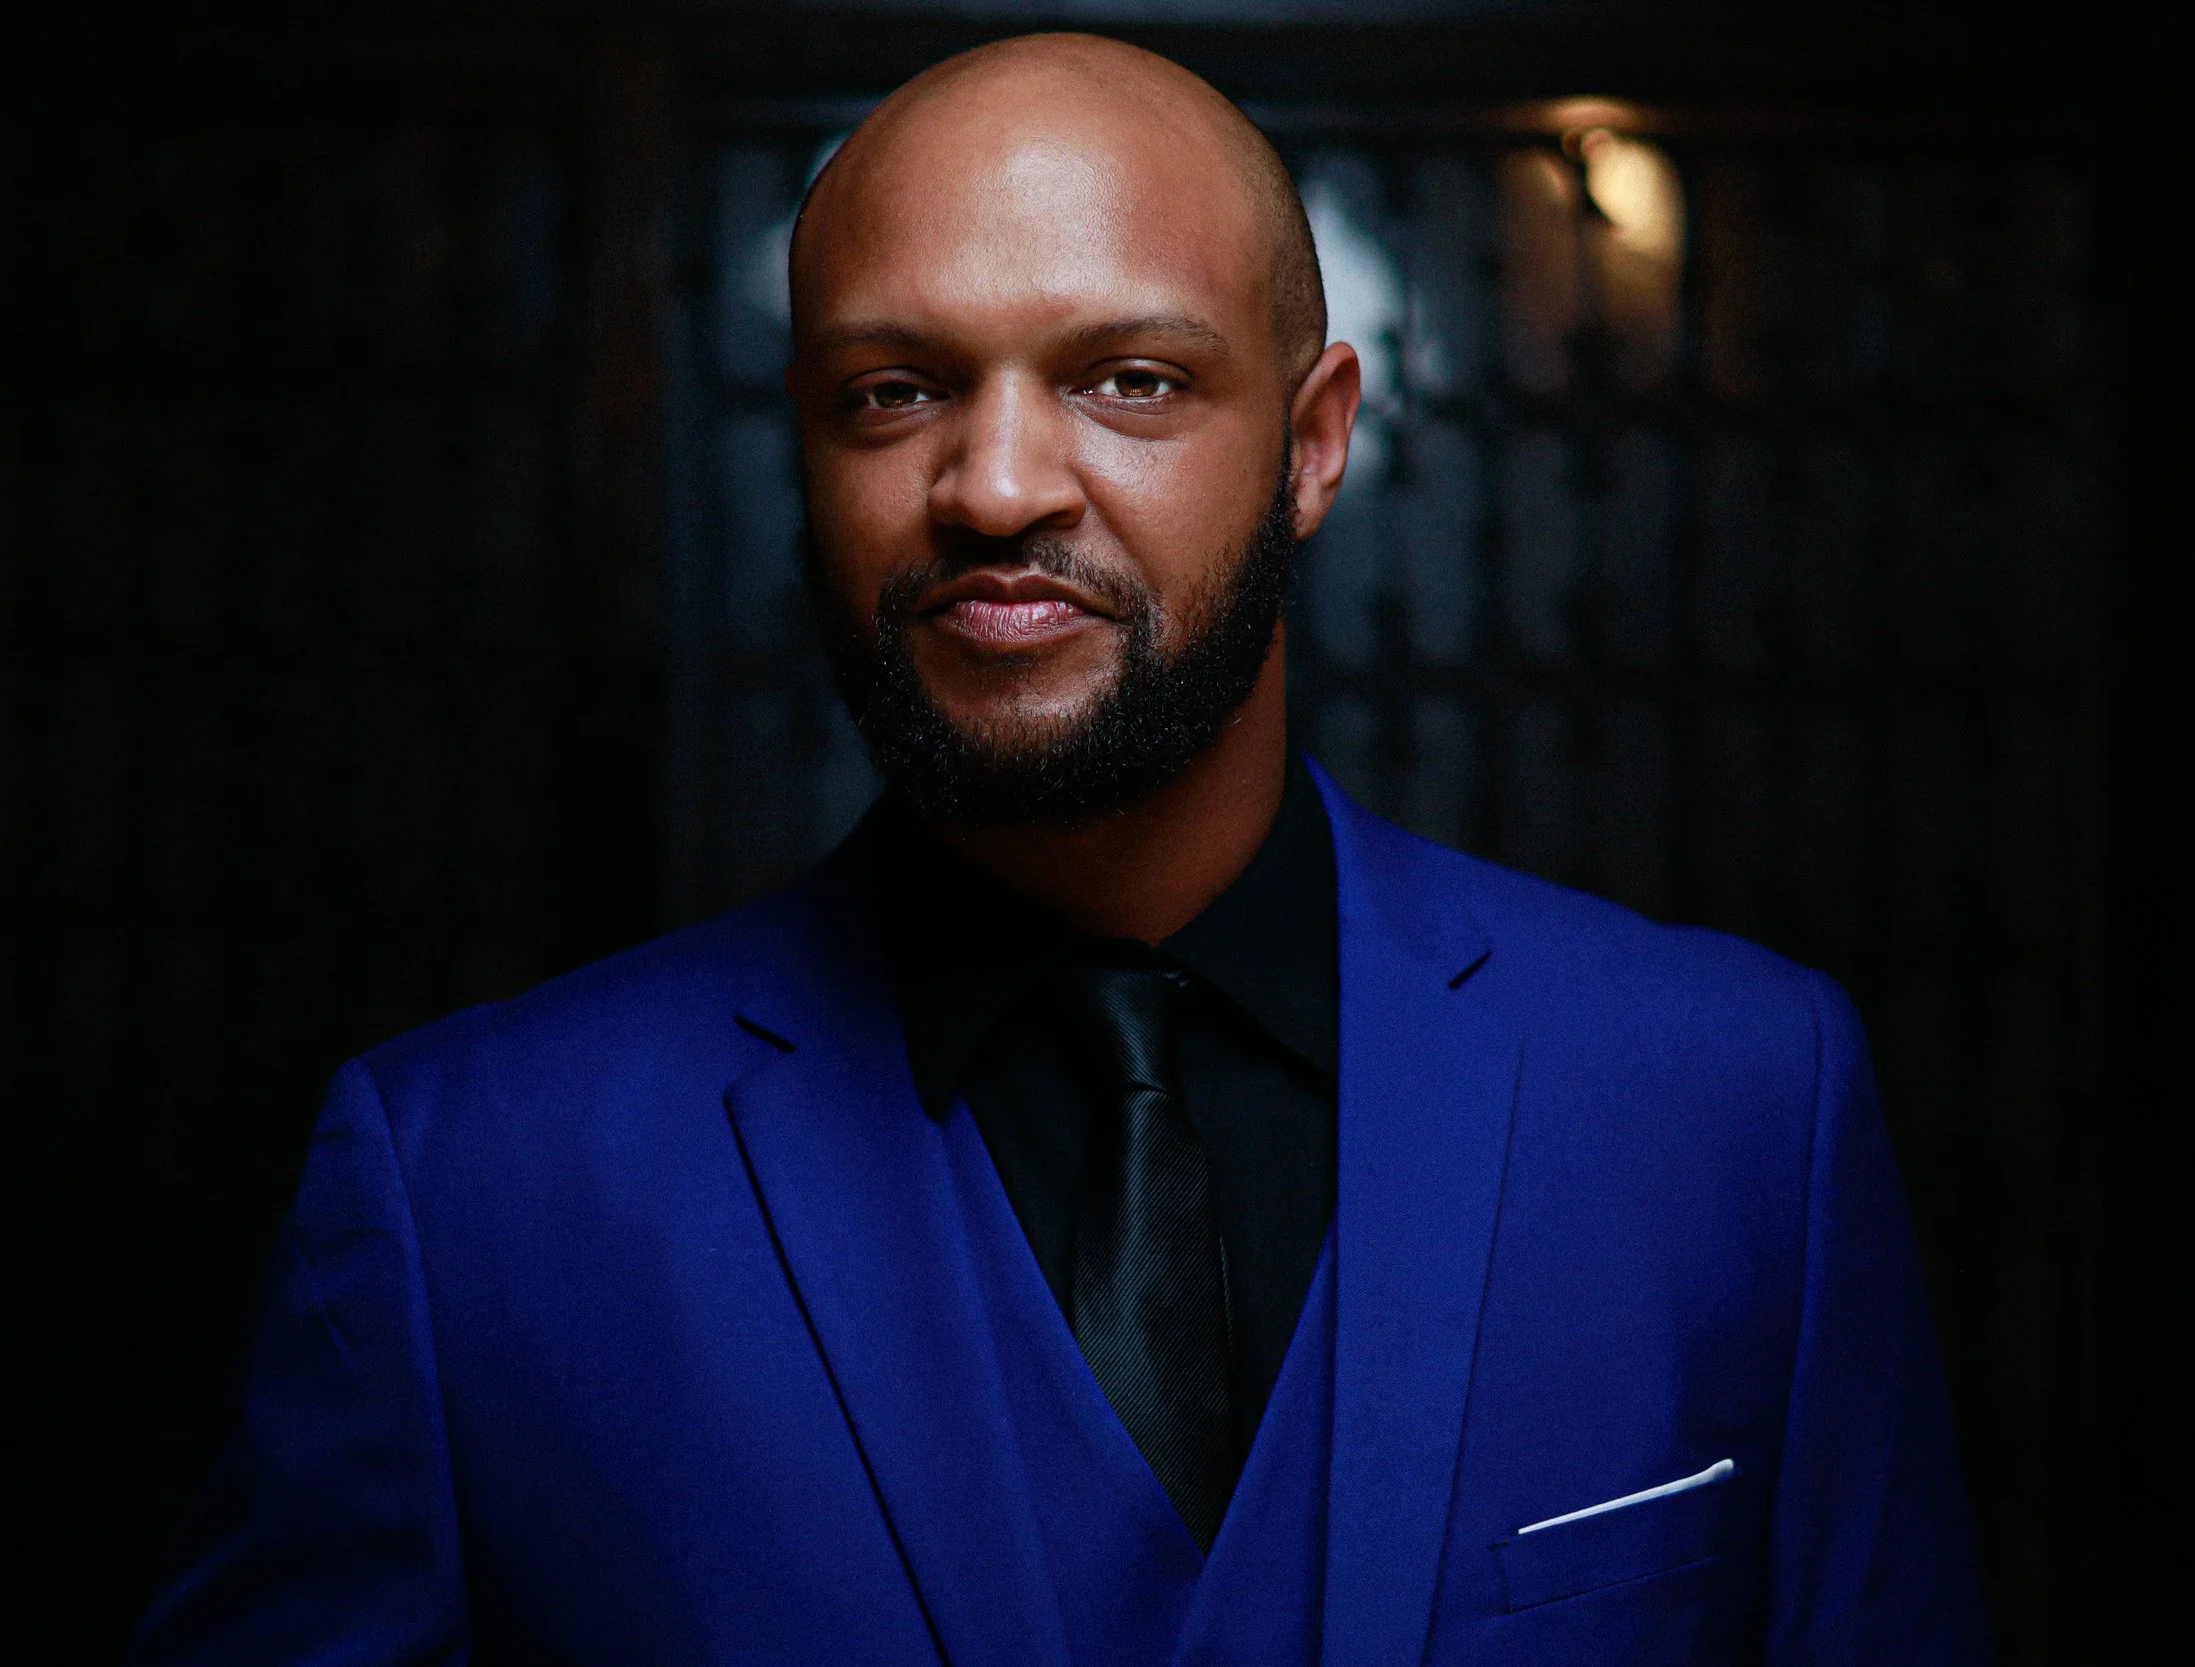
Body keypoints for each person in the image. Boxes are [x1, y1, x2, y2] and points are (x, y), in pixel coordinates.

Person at [128, 34, 1986, 1666]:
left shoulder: (1735, 1104)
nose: (999, 485)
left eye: (1131, 380)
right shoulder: (471, 1193)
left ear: (1317, 441)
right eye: (894, 389)